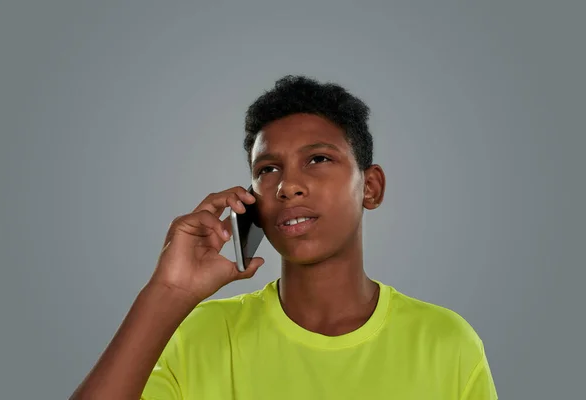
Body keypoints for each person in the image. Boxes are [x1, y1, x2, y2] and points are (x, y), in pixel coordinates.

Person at [70, 75, 498, 399]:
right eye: (267, 169)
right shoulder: (200, 336)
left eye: (317, 158)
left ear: (371, 187)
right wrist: (168, 292)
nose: (287, 186)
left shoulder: (446, 343)